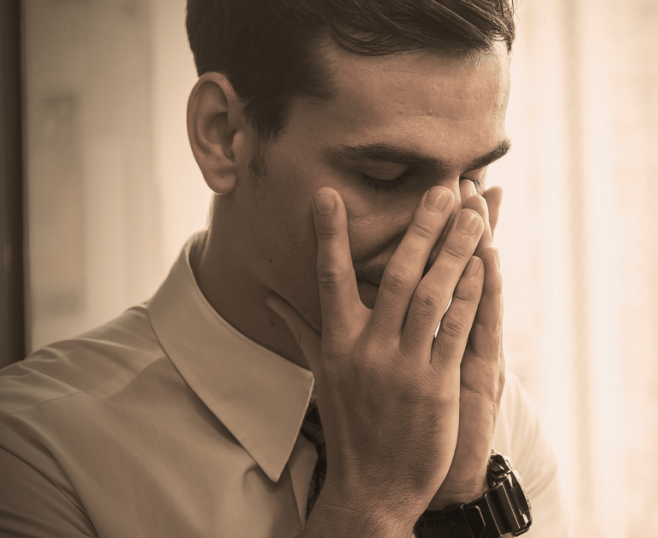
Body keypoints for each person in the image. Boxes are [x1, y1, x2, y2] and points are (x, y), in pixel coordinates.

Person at [0, 1, 568, 537]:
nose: (450, 232)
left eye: (473, 176)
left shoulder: (491, 418)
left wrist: (459, 509)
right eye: (386, 175)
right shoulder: (34, 452)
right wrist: (373, 502)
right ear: (222, 135)